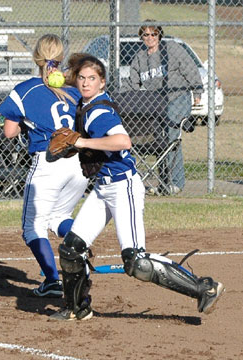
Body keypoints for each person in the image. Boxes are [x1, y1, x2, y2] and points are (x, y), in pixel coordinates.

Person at [50, 55, 224, 321]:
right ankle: (77, 308)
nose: (85, 83)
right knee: (71, 249)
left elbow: (123, 141)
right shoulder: (86, 103)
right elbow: (65, 84)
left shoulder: (99, 111)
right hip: (102, 189)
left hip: (123, 188)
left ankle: (204, 288)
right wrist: (51, 69)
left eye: (92, 79)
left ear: (102, 82)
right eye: (82, 78)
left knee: (137, 263)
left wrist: (82, 143)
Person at [0, 34, 89, 297]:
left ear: (36, 58)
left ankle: (51, 280)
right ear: (61, 59)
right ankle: (80, 252)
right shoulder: (75, 90)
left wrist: (24, 122)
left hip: (48, 163)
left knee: (32, 228)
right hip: (78, 164)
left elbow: (9, 132)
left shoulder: (26, 89)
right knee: (59, 218)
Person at [124, 20, 204, 195]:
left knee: (171, 135)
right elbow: (132, 84)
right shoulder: (140, 58)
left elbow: (190, 68)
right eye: (146, 34)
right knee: (159, 139)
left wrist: (197, 90)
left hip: (178, 98)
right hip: (156, 104)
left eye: (154, 34)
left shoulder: (172, 49)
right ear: (141, 37)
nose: (150, 38)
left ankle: (175, 182)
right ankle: (163, 182)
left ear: (159, 34)